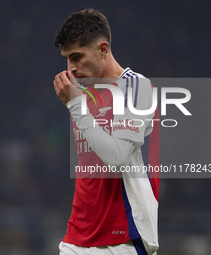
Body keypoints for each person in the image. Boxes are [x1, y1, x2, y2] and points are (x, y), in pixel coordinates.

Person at [53, 8, 160, 255]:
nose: (71, 68)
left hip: (123, 237)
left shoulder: (135, 86)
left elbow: (118, 158)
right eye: (67, 59)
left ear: (102, 49)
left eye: (77, 57)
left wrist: (77, 108)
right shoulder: (82, 94)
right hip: (76, 237)